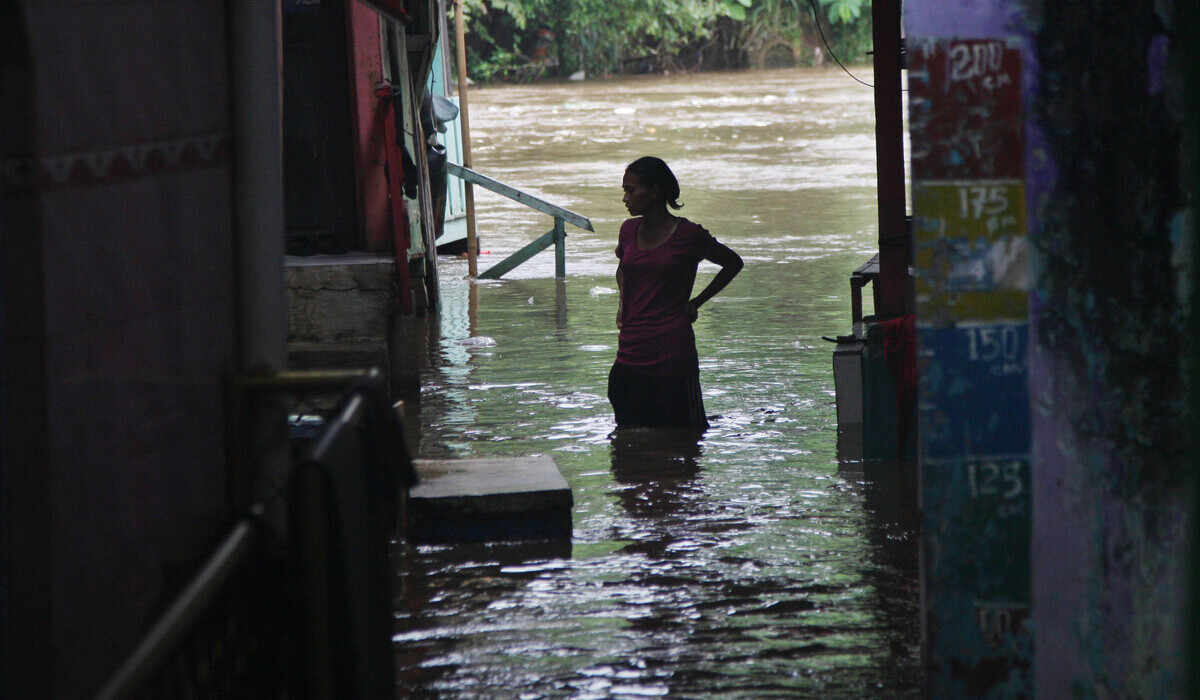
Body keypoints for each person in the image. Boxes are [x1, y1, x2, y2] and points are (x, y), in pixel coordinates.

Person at [608, 156, 743, 430]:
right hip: (629, 354)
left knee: (682, 443)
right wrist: (624, 304)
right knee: (627, 448)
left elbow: (732, 263)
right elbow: (623, 269)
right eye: (625, 190)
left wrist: (697, 302)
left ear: (655, 191)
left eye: (631, 190)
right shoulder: (628, 230)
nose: (625, 198)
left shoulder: (688, 235)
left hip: (672, 358)